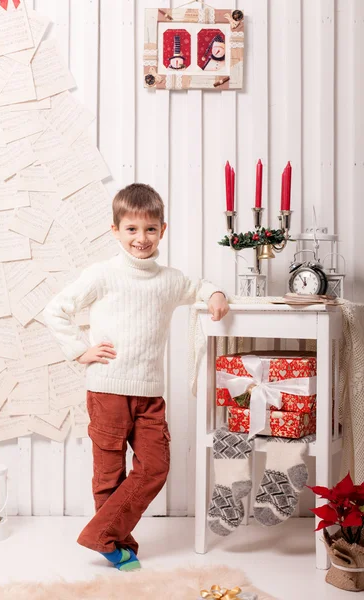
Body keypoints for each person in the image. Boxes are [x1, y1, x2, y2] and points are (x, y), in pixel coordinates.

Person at [43, 183, 229, 572]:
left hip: (149, 393)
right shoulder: (103, 274)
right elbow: (56, 309)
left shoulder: (168, 279)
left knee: (155, 466)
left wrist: (214, 295)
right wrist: (80, 350)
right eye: (131, 229)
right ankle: (116, 543)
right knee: (110, 474)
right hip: (107, 389)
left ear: (163, 230)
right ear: (115, 231)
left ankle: (99, 535)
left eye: (149, 229)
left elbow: (197, 287)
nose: (140, 238)